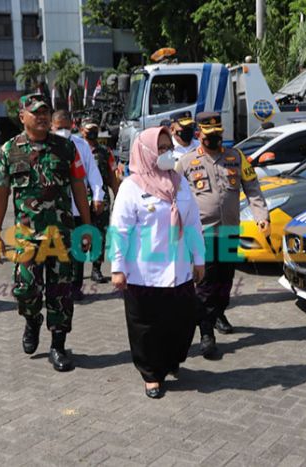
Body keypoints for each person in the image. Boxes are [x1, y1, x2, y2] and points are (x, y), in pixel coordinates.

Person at [0, 94, 92, 372]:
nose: (42, 117)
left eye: (45, 112)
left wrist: (86, 225)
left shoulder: (66, 147)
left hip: (61, 235)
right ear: (22, 116)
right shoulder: (9, 150)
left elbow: (79, 187)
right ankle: (32, 320)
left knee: (61, 292)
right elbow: (0, 192)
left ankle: (58, 346)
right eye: (35, 112)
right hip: (26, 237)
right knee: (25, 289)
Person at [110, 126, 205, 398]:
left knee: (182, 321)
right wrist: (118, 268)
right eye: (160, 148)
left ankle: (171, 360)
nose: (167, 153)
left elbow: (193, 223)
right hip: (143, 273)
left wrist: (199, 259)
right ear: (146, 151)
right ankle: (151, 374)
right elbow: (120, 230)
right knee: (146, 326)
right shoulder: (131, 187)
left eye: (169, 147)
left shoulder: (180, 182)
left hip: (179, 269)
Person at [177, 112, 269, 357]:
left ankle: (218, 313)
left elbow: (253, 189)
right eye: (209, 136)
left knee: (225, 280)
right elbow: (173, 195)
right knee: (205, 283)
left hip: (228, 230)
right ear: (199, 134)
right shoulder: (186, 162)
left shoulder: (236, 157)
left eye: (218, 134)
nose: (214, 139)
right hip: (202, 232)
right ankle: (206, 332)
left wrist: (262, 217)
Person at [50, 111, 104, 300]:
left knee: (79, 247)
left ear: (72, 126)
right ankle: (57, 286)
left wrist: (98, 196)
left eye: (66, 128)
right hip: (55, 209)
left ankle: (75, 286)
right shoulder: (47, 146)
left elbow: (94, 175)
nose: (63, 132)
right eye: (59, 128)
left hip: (78, 206)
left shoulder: (81, 145)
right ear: (52, 127)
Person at [81, 121, 120, 283]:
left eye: (95, 130)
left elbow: (112, 175)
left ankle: (96, 269)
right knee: (81, 233)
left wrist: (117, 195)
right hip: (81, 197)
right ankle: (77, 272)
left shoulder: (105, 152)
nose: (93, 133)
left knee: (99, 234)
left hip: (101, 198)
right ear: (82, 131)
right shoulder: (76, 149)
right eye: (90, 130)